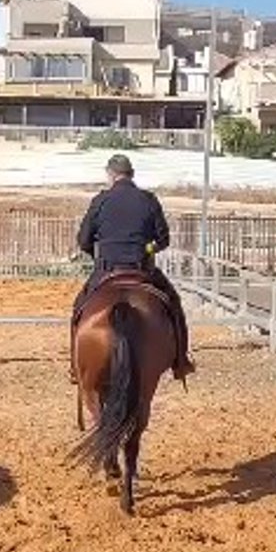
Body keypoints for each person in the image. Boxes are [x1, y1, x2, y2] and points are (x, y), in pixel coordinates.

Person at [70, 153, 195, 382]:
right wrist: (148, 249)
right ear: (132, 174)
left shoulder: (100, 200)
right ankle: (181, 361)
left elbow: (84, 240)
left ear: (110, 174)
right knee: (174, 305)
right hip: (141, 268)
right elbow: (163, 240)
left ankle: (75, 366)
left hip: (107, 268)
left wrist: (97, 255)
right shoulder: (148, 200)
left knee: (79, 307)